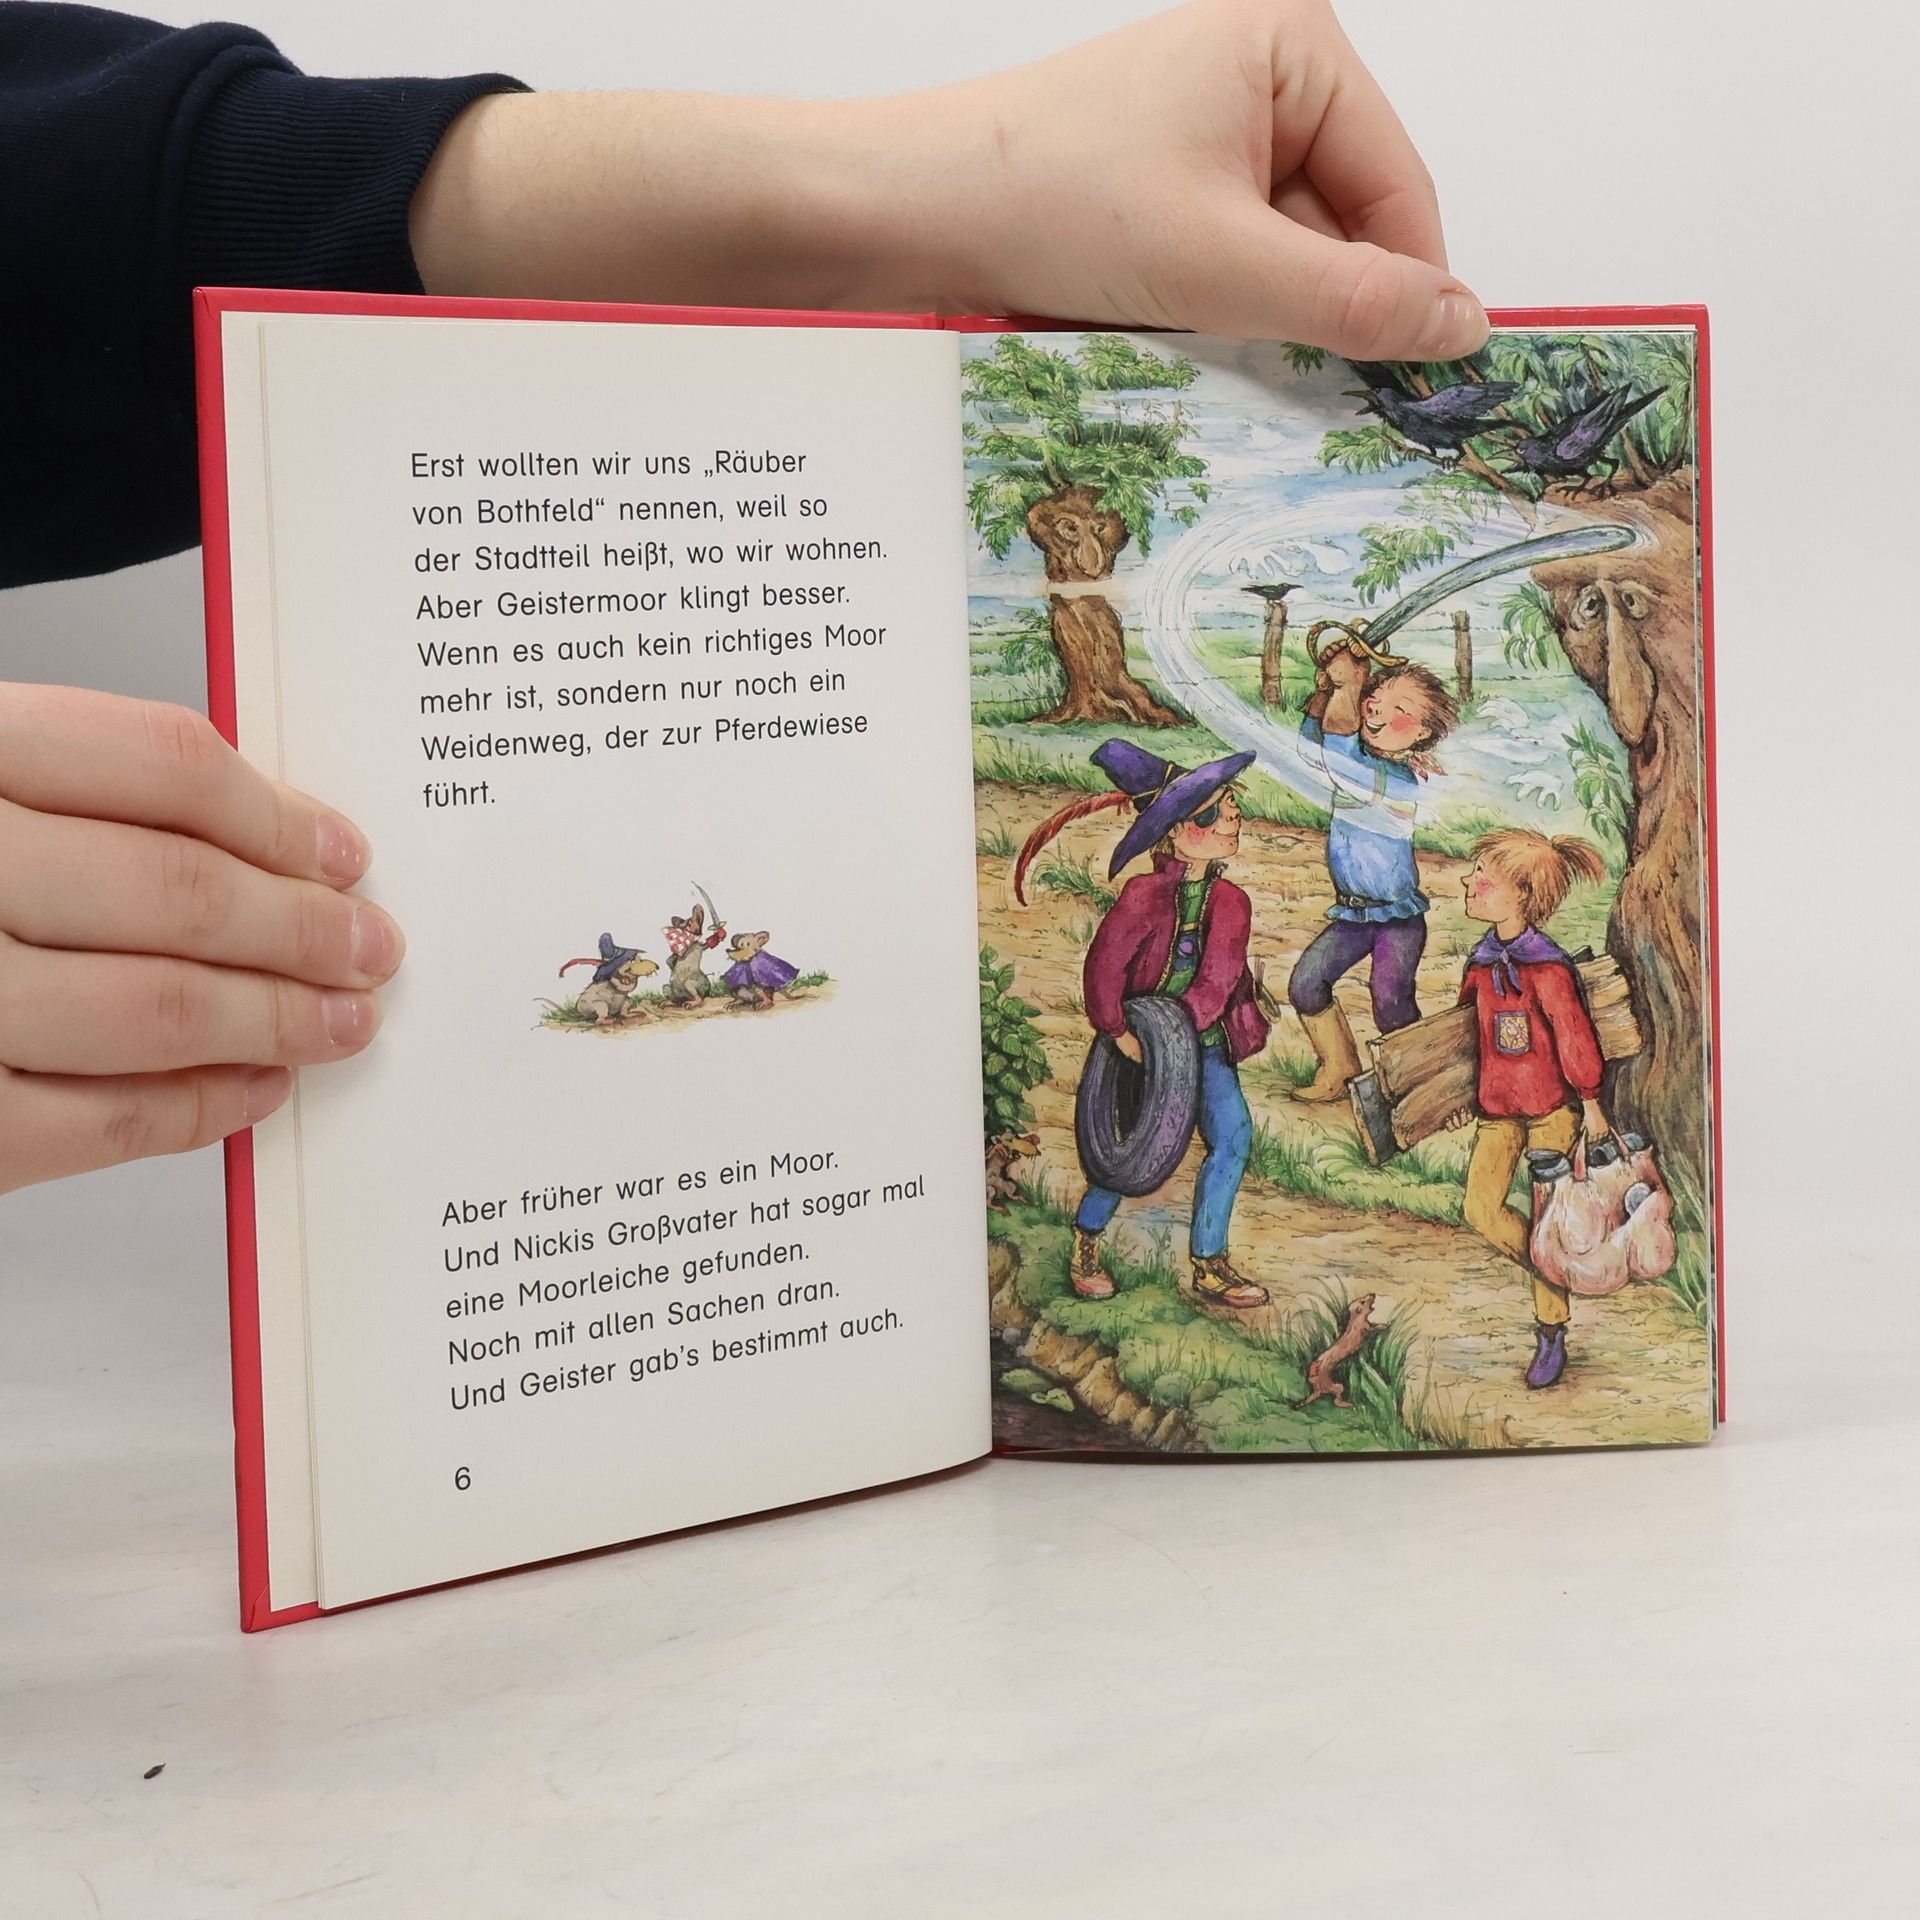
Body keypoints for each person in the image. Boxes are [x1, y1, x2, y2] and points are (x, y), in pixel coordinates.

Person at [0, 0, 1487, 1197]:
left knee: (1296, 1042)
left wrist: (904, 195)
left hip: (1250, 1004)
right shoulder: (1188, 870)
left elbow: (118, 239)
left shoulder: (1280, 854)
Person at [1019, 743, 1271, 1310]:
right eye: (1214, 812)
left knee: (1232, 1137)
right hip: (1135, 1046)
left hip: (1204, 1046)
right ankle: (1087, 1241)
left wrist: (1177, 1041)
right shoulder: (1143, 896)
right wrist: (1121, 1033)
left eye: (1231, 807)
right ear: (1176, 832)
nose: (1231, 819)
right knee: (1126, 1144)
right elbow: (1103, 971)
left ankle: (1209, 1262)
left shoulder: (1232, 903)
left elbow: (1218, 978)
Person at [1448, 829, 1611, 1389]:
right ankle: (1555, 1260)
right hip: (1498, 1110)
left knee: (1548, 1216)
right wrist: (1455, 1100)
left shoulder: (1548, 968)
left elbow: (1574, 1039)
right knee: (1480, 1209)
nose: (1469, 881)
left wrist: (1591, 1103)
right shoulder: (1480, 964)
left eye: (1484, 876)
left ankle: (1551, 1329)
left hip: (1551, 1112)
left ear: (1522, 894)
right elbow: (1464, 1040)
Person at [1285, 629, 1457, 1100]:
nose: (1377, 709)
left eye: (1399, 709)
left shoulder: (1393, 777)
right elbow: (1314, 749)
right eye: (1376, 698)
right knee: (1307, 984)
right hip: (1353, 914)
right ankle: (1339, 1068)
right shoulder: (1358, 761)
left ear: (1421, 733)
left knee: (1391, 1004)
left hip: (1396, 920)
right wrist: (1327, 694)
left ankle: (1418, 1087)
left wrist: (1349, 685)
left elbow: (1337, 747)